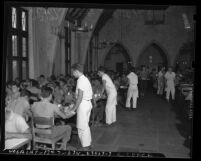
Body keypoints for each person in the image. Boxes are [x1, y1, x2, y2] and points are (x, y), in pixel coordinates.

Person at [71, 63, 93, 151]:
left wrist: (73, 109)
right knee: (85, 125)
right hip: (87, 103)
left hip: (83, 104)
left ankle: (85, 146)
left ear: (76, 71)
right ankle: (88, 143)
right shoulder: (84, 79)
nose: (72, 74)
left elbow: (80, 97)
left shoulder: (81, 80)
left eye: (73, 72)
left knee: (81, 126)